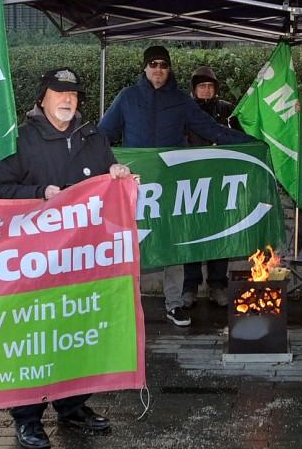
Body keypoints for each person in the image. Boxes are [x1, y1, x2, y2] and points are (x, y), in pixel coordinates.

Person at [0, 67, 133, 449]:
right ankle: (28, 417)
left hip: (81, 259)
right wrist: (38, 192)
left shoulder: (93, 137)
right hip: (32, 261)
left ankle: (72, 405)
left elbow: (108, 183)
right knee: (32, 336)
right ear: (42, 97)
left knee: (76, 331)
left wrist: (116, 174)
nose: (68, 100)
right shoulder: (19, 138)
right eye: (59, 92)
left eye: (74, 94)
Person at [99, 45, 252, 327]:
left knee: (174, 243)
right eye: (153, 64)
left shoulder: (182, 101)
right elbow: (103, 135)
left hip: (171, 185)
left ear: (169, 70)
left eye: (163, 65)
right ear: (144, 68)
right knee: (131, 244)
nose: (158, 70)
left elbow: (211, 130)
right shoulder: (128, 98)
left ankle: (174, 304)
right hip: (136, 185)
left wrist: (252, 144)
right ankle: (124, 305)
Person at [182, 65, 241, 308]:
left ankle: (218, 284)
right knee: (192, 235)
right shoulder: (183, 110)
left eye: (210, 86)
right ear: (194, 89)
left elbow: (242, 137)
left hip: (220, 183)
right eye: (201, 86)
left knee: (220, 233)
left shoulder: (227, 110)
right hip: (191, 181)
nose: (206, 90)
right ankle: (190, 287)